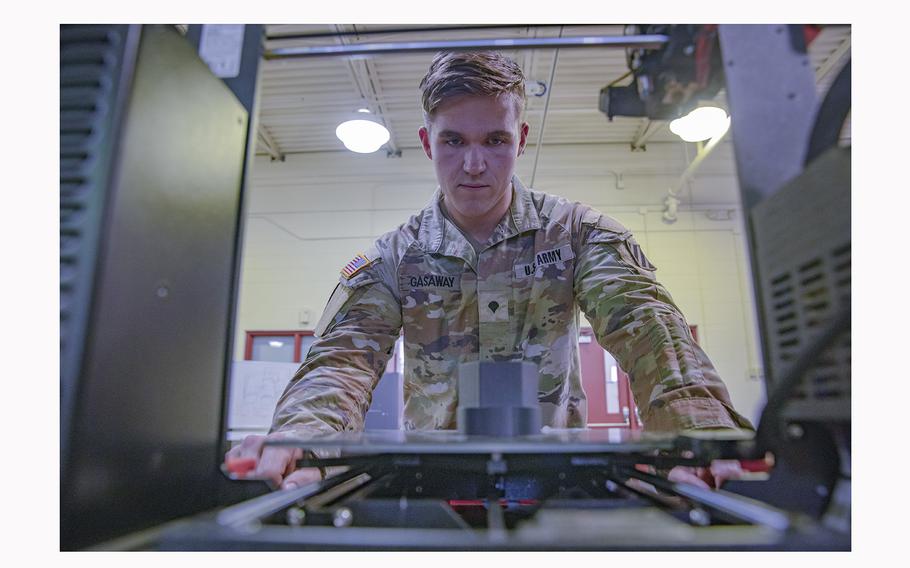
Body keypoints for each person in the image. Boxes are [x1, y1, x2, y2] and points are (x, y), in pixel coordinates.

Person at [226, 51, 754, 491]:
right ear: (429, 142)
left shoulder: (578, 234)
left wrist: (703, 436)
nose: (474, 165)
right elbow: (340, 363)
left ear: (520, 139)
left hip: (561, 480)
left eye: (494, 141)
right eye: (454, 141)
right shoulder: (394, 258)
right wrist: (300, 439)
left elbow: (650, 331)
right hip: (430, 484)